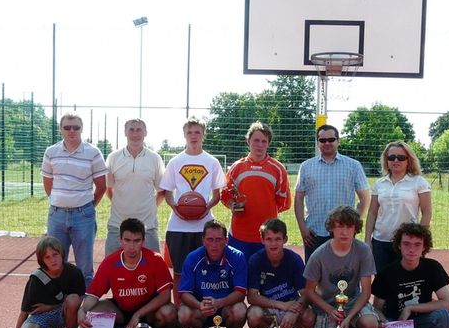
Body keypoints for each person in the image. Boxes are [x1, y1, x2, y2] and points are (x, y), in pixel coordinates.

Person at [77, 218, 178, 328]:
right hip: (122, 310)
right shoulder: (110, 263)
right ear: (120, 240)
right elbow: (93, 295)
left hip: (148, 311)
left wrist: (138, 315)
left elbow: (165, 296)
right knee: (93, 312)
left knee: (169, 312)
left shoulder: (155, 259)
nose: (132, 246)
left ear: (143, 241)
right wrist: (82, 310)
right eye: (127, 240)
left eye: (136, 241)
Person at [371, 222, 449, 328]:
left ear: (424, 247)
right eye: (406, 244)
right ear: (399, 246)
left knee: (446, 317)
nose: (411, 249)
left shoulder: (433, 267)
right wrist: (385, 323)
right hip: (396, 327)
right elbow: (377, 308)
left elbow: (447, 303)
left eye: (417, 245)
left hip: (420, 323)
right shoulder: (387, 272)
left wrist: (411, 307)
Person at [304, 206, 379, 328]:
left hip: (352, 300)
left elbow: (366, 292)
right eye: (339, 226)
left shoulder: (363, 250)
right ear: (331, 227)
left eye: (349, 227)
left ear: (356, 228)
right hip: (327, 306)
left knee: (370, 324)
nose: (344, 232)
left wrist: (349, 318)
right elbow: (309, 291)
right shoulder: (319, 255)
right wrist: (330, 310)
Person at [159, 117, 225, 305]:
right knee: (178, 273)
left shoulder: (211, 162)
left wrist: (207, 208)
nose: (193, 136)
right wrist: (176, 208)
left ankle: (203, 315)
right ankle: (179, 318)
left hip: (204, 227)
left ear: (203, 135)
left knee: (206, 272)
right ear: (184, 135)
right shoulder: (175, 161)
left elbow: (217, 194)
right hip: (178, 227)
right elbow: (167, 193)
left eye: (197, 132)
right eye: (190, 132)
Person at [41, 113, 107, 287]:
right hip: (56, 215)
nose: (72, 131)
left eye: (76, 127)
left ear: (82, 129)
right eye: (67, 127)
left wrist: (87, 206)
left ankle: (84, 309)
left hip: (83, 215)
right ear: (61, 129)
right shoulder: (51, 152)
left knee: (85, 267)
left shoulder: (93, 153)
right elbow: (48, 185)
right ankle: (58, 306)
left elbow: (101, 186)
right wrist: (59, 201)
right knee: (54, 263)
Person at [3, 236, 85, 328]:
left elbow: (80, 299)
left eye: (55, 254)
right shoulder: (35, 280)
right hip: (43, 316)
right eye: (47, 257)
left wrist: (50, 307)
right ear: (42, 260)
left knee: (73, 299)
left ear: (62, 253)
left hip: (66, 313)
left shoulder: (74, 272)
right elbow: (24, 312)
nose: (53, 260)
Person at [294, 124, 370, 262]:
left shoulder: (353, 165)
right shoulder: (306, 166)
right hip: (314, 233)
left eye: (331, 139)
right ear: (317, 142)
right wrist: (303, 228)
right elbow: (298, 199)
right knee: (314, 277)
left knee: (344, 276)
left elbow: (365, 198)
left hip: (343, 232)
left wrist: (353, 223)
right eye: (322, 140)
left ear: (338, 141)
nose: (327, 143)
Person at [220, 121, 291, 260]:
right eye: (256, 140)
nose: (260, 144)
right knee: (239, 276)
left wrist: (265, 210)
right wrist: (232, 205)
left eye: (264, 141)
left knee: (265, 276)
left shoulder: (278, 169)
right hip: (239, 234)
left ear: (269, 143)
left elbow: (284, 202)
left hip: (267, 236)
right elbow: (225, 194)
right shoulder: (236, 167)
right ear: (248, 140)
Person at [178, 220, 247, 328]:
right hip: (201, 308)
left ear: (226, 240)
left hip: (225, 307)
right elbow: (184, 293)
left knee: (240, 310)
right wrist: (199, 305)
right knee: (184, 313)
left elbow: (240, 293)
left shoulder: (237, 256)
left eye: (219, 240)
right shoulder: (192, 258)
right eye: (210, 239)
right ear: (203, 240)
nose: (214, 245)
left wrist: (219, 303)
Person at [246, 218, 315, 328]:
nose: (273, 243)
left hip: (292, 304)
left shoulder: (294, 259)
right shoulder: (255, 260)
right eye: (269, 239)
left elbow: (305, 293)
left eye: (278, 239)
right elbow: (252, 297)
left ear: (285, 239)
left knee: (310, 317)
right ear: (262, 240)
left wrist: (293, 312)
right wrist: (282, 306)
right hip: (270, 306)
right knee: (253, 315)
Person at [365, 140, 432, 273]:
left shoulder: (419, 182)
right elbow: (372, 212)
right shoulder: (379, 184)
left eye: (401, 157)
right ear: (386, 160)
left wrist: (419, 238)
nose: (396, 160)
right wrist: (367, 239)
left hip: (407, 242)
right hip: (381, 241)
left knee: (405, 282)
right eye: (391, 157)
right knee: (382, 282)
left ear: (409, 160)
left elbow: (427, 212)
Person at [105, 118, 165, 256]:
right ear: (125, 133)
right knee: (112, 269)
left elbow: (162, 192)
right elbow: (109, 189)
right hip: (117, 225)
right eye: (131, 130)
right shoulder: (113, 158)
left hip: (148, 226)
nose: (135, 134)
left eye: (139, 130)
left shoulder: (155, 158)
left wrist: (149, 206)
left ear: (145, 133)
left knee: (152, 270)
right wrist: (122, 204)